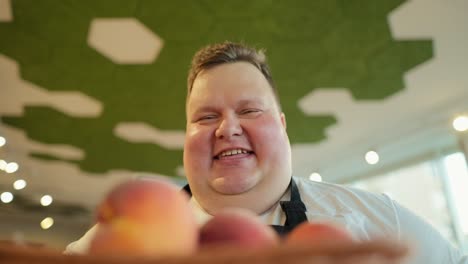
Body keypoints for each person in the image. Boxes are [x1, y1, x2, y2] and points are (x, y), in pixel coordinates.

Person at [66, 41, 468, 263]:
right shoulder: (116, 247)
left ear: (282, 125)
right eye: (206, 117)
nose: (227, 128)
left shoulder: (379, 222)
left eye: (249, 110)